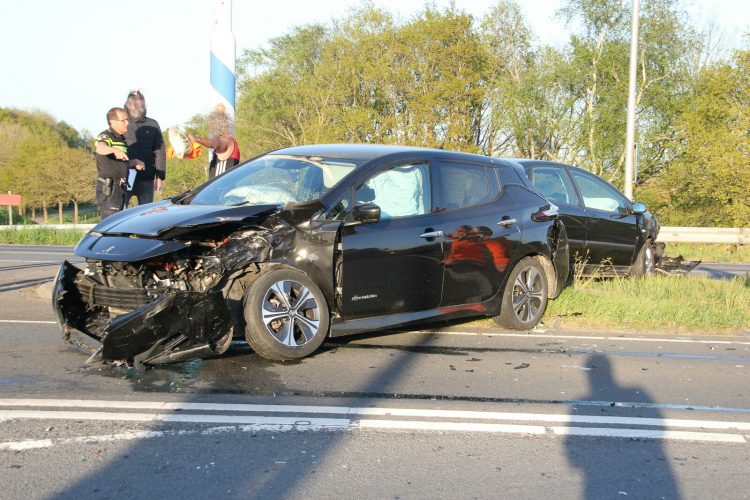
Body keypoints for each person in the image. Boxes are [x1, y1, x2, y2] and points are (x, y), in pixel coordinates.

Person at [95, 108, 144, 219]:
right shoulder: (106, 136)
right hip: (110, 189)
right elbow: (100, 148)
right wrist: (114, 150)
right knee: (110, 223)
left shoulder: (121, 139)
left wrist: (133, 162)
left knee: (118, 222)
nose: (127, 123)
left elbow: (118, 162)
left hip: (121, 187)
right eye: (124, 120)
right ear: (113, 122)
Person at [123, 90, 166, 206]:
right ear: (128, 104)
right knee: (121, 209)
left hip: (147, 176)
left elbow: (160, 150)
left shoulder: (153, 124)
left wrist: (160, 176)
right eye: (135, 102)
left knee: (146, 211)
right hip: (125, 175)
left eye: (140, 102)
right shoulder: (122, 124)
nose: (138, 105)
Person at [187, 105, 241, 179]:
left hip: (222, 187)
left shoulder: (226, 140)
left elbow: (215, 143)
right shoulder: (229, 140)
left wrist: (196, 139)